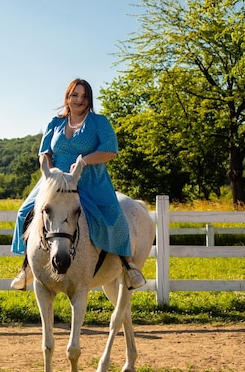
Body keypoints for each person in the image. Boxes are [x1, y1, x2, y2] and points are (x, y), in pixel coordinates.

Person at [10, 78, 146, 290]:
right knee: (25, 212)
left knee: (113, 215)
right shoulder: (54, 124)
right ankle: (27, 266)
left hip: (90, 177)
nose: (79, 100)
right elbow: (44, 153)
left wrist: (84, 161)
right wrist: (47, 171)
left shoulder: (99, 122)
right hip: (55, 179)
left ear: (89, 99)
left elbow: (110, 150)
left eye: (84, 96)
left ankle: (129, 265)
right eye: (75, 95)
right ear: (67, 97)